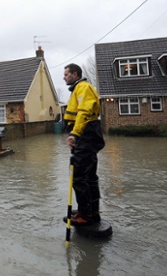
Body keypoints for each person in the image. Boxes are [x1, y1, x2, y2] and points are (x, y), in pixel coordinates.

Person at [63, 63, 105, 225]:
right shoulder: (79, 89)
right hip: (87, 135)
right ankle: (91, 210)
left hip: (85, 135)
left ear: (75, 74)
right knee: (89, 177)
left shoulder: (83, 88)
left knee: (79, 177)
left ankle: (85, 215)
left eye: (66, 74)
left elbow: (84, 112)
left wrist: (75, 133)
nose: (64, 77)